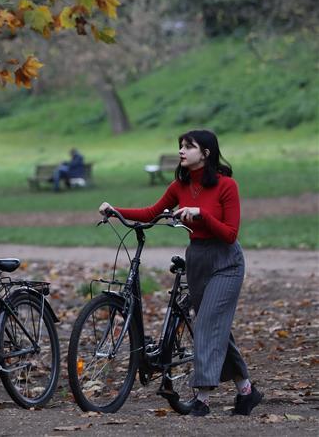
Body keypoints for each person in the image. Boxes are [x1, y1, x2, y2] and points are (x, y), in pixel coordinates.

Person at [98, 129, 261, 417]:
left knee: (208, 324)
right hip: (196, 259)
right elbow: (151, 212)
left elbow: (230, 234)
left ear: (206, 153)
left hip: (226, 262)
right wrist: (115, 210)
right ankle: (246, 390)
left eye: (189, 146)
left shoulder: (227, 186)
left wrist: (201, 214)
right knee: (216, 327)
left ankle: (202, 398)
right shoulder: (180, 185)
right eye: (181, 146)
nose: (182, 151)